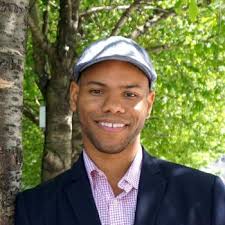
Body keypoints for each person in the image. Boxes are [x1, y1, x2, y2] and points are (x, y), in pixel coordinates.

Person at [15, 36, 225, 225]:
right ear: (74, 96)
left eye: (130, 94)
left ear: (149, 104)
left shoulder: (204, 195)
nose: (113, 105)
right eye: (97, 91)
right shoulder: (34, 208)